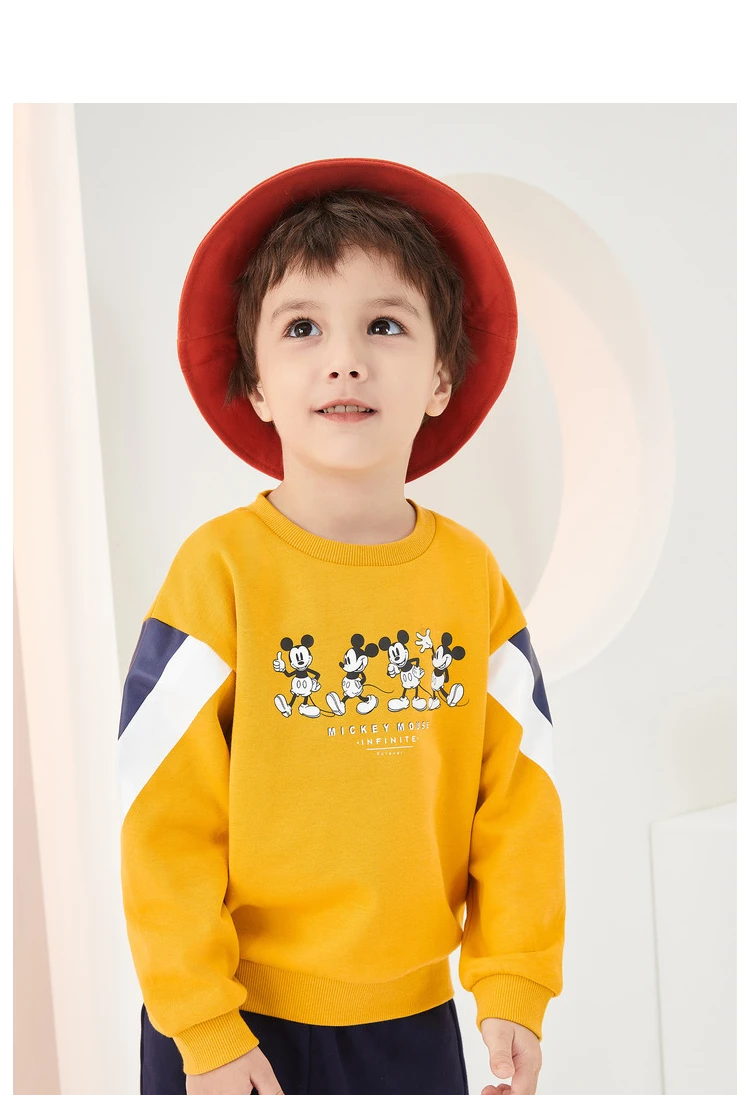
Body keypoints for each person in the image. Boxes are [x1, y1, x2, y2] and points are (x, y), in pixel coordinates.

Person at [117, 157, 565, 1095]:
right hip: (231, 1023)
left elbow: (519, 799)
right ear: (256, 381)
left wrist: (513, 983)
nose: (344, 358)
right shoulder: (218, 572)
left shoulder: (472, 580)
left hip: (411, 1026)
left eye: (385, 325)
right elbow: (161, 814)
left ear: (441, 375)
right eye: (303, 327)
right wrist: (202, 1020)